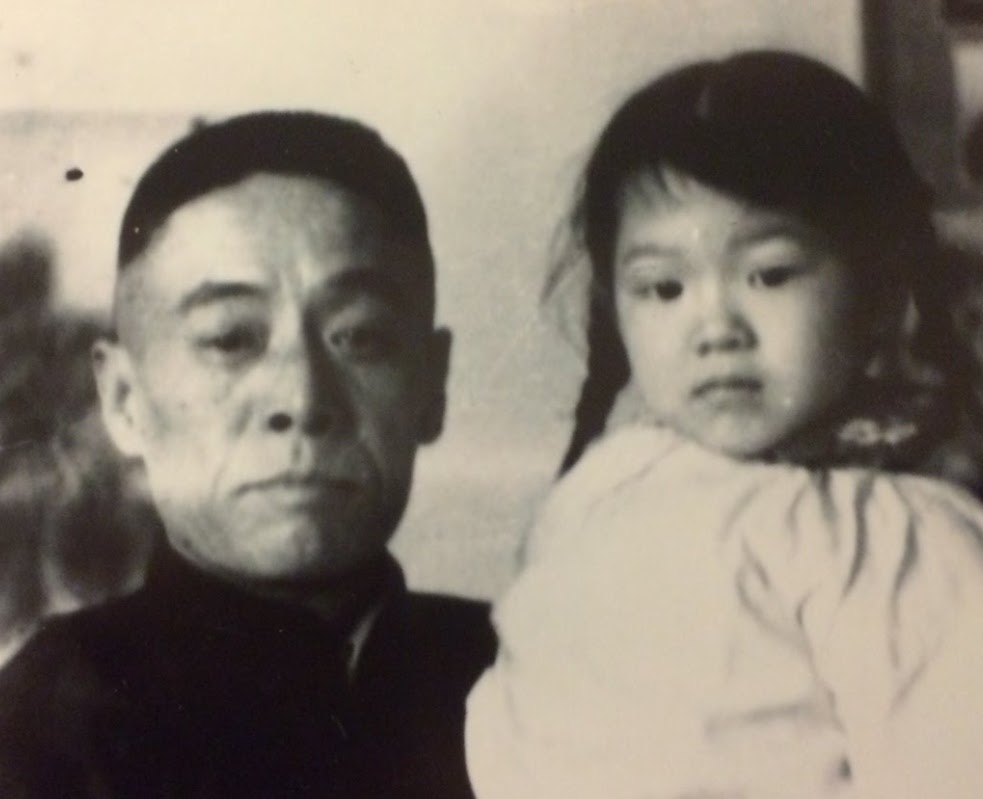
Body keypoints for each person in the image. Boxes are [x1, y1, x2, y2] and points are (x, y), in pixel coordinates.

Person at [465, 51, 983, 798]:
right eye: (662, 288)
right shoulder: (608, 484)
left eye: (768, 274)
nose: (714, 327)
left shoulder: (899, 539)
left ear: (877, 292)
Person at [0, 111, 496, 799]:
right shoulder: (53, 714)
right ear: (124, 399)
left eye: (359, 336)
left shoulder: (529, 672)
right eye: (231, 339)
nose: (301, 397)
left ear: (431, 385)